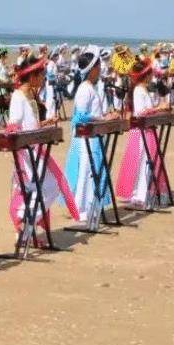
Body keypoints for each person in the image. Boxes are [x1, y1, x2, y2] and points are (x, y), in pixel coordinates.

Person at [5, 55, 77, 241]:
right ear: (32, 76)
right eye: (41, 75)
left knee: (47, 186)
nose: (44, 78)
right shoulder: (18, 96)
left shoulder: (30, 95)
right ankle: (23, 219)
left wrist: (45, 123)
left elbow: (31, 125)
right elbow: (13, 126)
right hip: (27, 153)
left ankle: (26, 225)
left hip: (35, 150)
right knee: (46, 186)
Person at [64, 47, 120, 222]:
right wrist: (103, 118)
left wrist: (105, 116)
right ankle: (80, 209)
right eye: (98, 66)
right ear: (92, 69)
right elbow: (81, 116)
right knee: (86, 172)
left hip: (94, 137)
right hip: (86, 139)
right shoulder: (84, 89)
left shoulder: (90, 87)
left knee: (92, 171)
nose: (100, 69)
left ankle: (90, 207)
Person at [116, 58, 171, 208]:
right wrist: (158, 108)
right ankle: (139, 195)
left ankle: (144, 193)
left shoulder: (143, 89)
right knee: (143, 162)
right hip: (141, 132)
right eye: (150, 73)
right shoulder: (139, 90)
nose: (152, 76)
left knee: (147, 161)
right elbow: (140, 112)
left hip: (146, 130)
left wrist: (158, 108)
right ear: (146, 75)